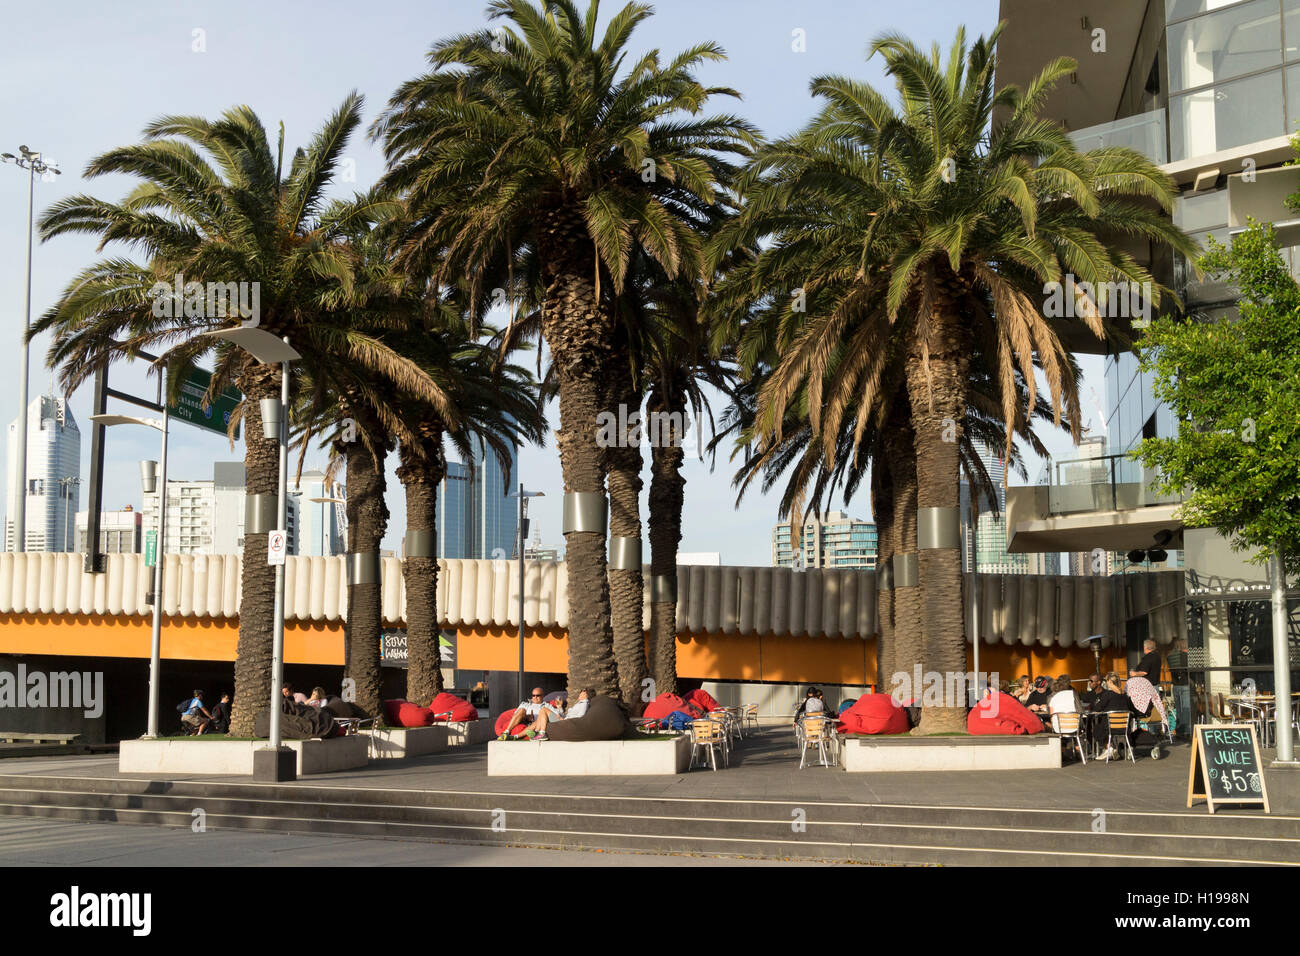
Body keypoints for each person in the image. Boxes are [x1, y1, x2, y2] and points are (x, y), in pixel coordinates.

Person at [528, 688, 593, 739]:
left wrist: (563, 720)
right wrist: (559, 708)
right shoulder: (580, 704)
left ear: (586, 695)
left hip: (566, 723)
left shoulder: (584, 704)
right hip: (564, 720)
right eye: (581, 692)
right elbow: (567, 715)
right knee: (542, 711)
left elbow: (580, 717)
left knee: (544, 709)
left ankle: (541, 733)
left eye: (582, 693)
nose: (580, 693)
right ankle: (536, 732)